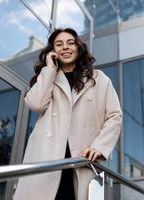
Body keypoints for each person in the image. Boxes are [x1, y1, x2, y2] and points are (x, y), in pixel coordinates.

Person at [13, 28, 122, 200]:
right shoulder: (48, 77)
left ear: (78, 48)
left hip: (81, 159)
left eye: (70, 43)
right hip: (48, 158)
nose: (65, 47)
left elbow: (115, 116)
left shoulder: (99, 79)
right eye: (59, 44)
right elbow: (35, 104)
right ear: (53, 51)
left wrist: (99, 147)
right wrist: (49, 69)